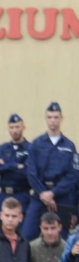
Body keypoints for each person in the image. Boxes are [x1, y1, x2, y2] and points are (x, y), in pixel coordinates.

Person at [24, 102, 79, 241]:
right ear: (45, 118)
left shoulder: (69, 146)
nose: (53, 120)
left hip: (61, 198)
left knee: (63, 239)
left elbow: (73, 175)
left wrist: (53, 193)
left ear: (61, 118)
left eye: (55, 117)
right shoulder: (36, 144)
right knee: (27, 236)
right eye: (50, 117)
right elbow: (31, 172)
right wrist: (43, 193)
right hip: (39, 196)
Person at [0, 113, 32, 223]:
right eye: (11, 127)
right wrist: (15, 165)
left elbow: (27, 172)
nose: (14, 130)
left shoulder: (30, 148)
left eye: (17, 127)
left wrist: (4, 165)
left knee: (21, 230)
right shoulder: (2, 148)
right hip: (4, 195)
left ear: (23, 127)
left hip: (22, 194)